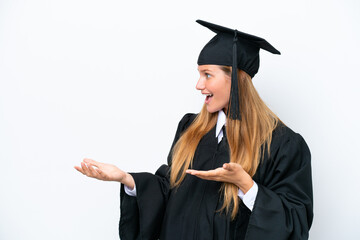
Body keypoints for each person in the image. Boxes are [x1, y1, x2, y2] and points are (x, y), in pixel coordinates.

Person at [74, 19, 313, 240]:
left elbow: (296, 222)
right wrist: (128, 180)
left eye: (207, 75)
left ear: (236, 80)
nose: (199, 85)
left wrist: (247, 186)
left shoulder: (282, 144)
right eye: (199, 74)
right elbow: (170, 191)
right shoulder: (190, 129)